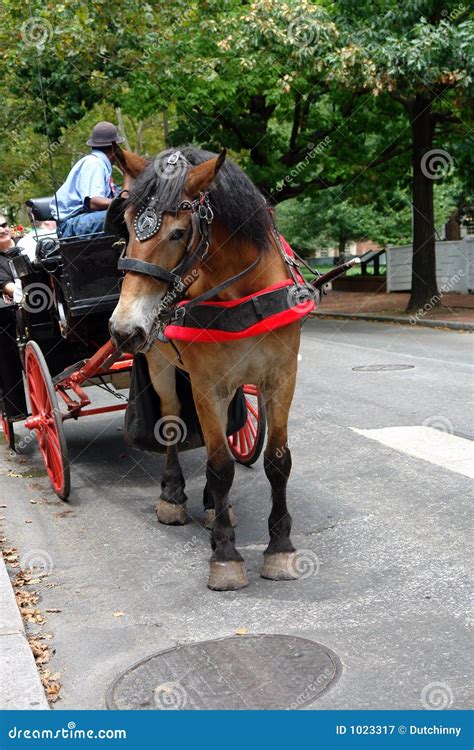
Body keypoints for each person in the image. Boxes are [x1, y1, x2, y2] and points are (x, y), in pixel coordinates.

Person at [49, 121, 127, 238]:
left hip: (83, 220)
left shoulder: (101, 165)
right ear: (114, 148)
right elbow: (93, 203)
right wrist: (125, 203)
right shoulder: (94, 163)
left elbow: (121, 195)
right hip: (71, 224)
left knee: (129, 212)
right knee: (124, 215)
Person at [0, 213, 27, 422]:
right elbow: (8, 288)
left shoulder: (26, 244)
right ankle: (14, 406)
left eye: (4, 225)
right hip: (16, 308)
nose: (2, 230)